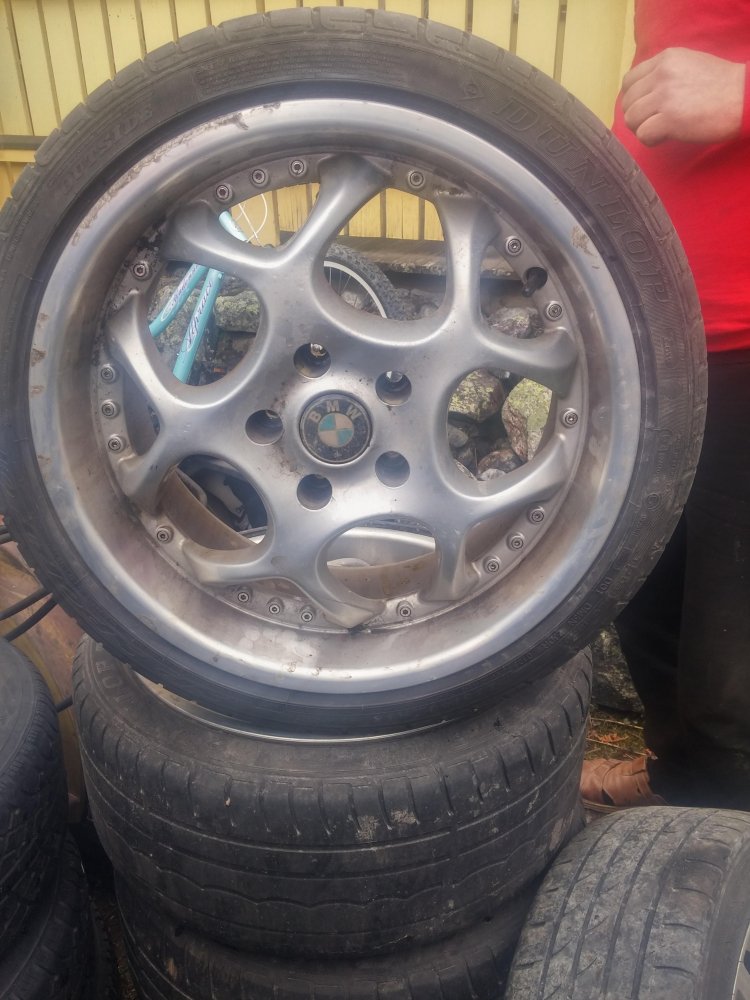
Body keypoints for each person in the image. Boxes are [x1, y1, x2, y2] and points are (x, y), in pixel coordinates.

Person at [581, 0, 750, 812]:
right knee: (645, 600)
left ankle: (719, 831)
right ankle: (682, 778)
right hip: (652, 336)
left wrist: (743, 92)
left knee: (731, 661)